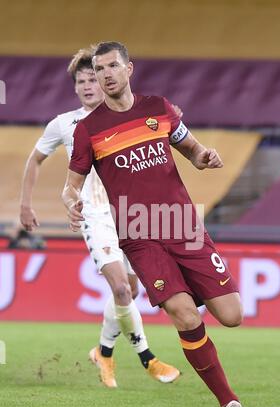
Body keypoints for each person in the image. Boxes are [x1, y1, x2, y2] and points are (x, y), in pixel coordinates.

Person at [63, 41, 245, 407]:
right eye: (99, 69)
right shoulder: (88, 130)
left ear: (129, 69)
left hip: (182, 226)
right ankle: (229, 403)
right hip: (139, 235)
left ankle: (197, 316)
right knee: (183, 314)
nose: (106, 74)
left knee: (232, 315)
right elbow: (71, 183)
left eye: (113, 66)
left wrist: (205, 157)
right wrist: (71, 199)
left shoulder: (158, 109)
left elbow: (193, 151)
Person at [20, 46, 180, 389]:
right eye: (82, 81)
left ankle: (103, 351)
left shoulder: (128, 116)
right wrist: (26, 204)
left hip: (131, 214)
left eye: (94, 78)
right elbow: (34, 159)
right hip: (95, 215)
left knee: (132, 290)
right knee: (121, 288)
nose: (90, 85)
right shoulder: (65, 124)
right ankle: (147, 359)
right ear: (75, 87)